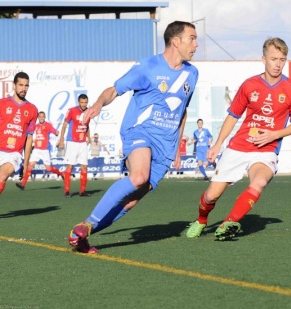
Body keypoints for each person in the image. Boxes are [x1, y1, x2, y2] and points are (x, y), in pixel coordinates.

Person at [67, 20, 199, 253]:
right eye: (192, 38)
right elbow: (114, 90)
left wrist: (178, 145)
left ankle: (82, 233)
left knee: (131, 200)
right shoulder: (148, 67)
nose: (196, 44)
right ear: (176, 41)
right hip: (140, 132)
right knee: (139, 176)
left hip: (166, 145)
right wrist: (97, 104)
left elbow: (183, 110)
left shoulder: (192, 73)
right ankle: (87, 224)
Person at [186, 37, 291, 240]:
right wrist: (217, 144)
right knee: (211, 195)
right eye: (273, 58)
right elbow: (233, 116)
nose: (278, 64)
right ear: (263, 59)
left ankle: (229, 223)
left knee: (259, 182)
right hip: (239, 146)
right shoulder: (249, 85)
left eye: (282, 59)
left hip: (266, 151)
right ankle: (201, 220)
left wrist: (275, 135)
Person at [0, 72, 38, 195]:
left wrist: (26, 163)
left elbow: (29, 138)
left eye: (26, 86)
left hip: (14, 153)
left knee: (3, 175)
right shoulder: (2, 104)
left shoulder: (32, 109)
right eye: (20, 85)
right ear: (14, 85)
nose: (23, 88)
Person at [15, 111, 64, 190]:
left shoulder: (48, 125)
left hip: (44, 150)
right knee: (30, 166)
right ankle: (23, 184)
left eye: (43, 116)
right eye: (40, 117)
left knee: (48, 168)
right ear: (38, 117)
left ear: (44, 117)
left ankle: (61, 174)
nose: (41, 118)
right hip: (37, 150)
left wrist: (57, 133)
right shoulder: (36, 126)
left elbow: (55, 132)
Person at [58, 94, 91, 198]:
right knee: (70, 165)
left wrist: (88, 137)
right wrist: (61, 139)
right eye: (82, 102)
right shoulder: (71, 111)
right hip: (72, 142)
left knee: (84, 166)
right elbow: (64, 125)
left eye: (85, 102)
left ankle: (82, 191)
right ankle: (67, 191)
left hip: (82, 143)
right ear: (78, 102)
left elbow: (87, 125)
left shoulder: (88, 112)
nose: (84, 104)